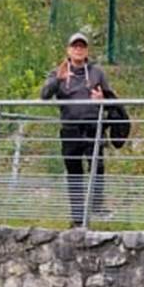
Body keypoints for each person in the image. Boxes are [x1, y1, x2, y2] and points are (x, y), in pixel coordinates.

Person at [41, 32, 113, 226]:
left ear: (87, 51)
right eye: (75, 46)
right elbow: (44, 95)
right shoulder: (59, 71)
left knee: (97, 167)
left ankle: (97, 207)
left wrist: (102, 100)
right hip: (70, 129)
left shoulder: (97, 72)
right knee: (74, 172)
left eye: (82, 46)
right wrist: (58, 79)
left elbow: (113, 100)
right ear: (68, 50)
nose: (78, 49)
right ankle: (78, 217)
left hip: (93, 127)